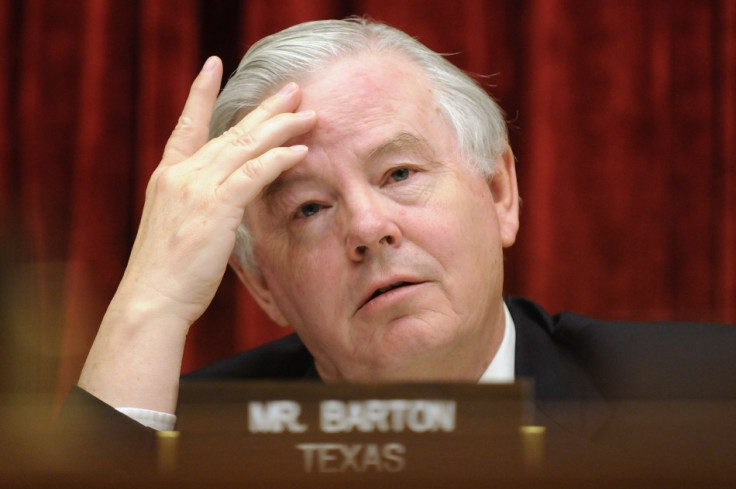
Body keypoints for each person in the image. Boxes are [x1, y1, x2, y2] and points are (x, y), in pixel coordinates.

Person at [71, 17, 736, 439]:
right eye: (309, 208)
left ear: (499, 190)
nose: (367, 226)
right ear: (263, 285)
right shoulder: (184, 434)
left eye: (399, 174)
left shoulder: (702, 395)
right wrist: (149, 300)